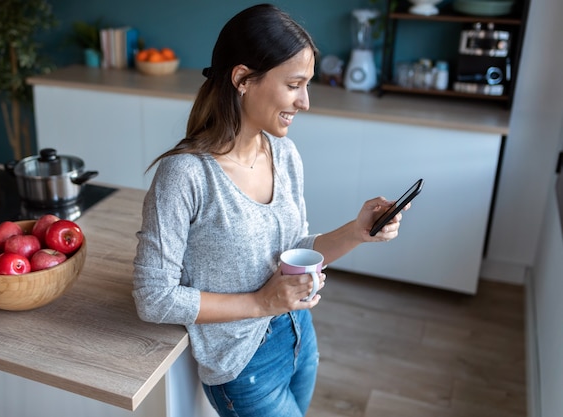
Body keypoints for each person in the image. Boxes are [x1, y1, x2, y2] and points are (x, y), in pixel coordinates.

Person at [132, 4, 407, 416]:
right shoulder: (186, 175)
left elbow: (293, 249)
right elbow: (154, 298)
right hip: (245, 367)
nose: (306, 101)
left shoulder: (283, 153)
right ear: (242, 78)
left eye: (307, 85)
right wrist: (262, 303)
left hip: (300, 335)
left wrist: (357, 230)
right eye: (295, 84)